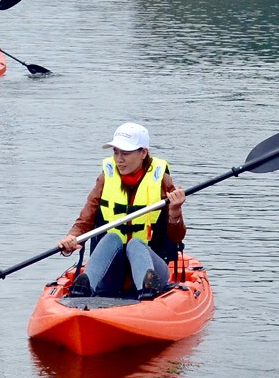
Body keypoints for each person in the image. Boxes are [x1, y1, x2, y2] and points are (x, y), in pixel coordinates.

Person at [58, 122, 187, 297]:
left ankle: (148, 289)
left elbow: (176, 237)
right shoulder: (105, 179)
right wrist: (72, 238)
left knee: (135, 244)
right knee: (112, 237)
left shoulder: (162, 181)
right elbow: (85, 220)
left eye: (125, 153)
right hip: (113, 270)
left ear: (143, 153)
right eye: (116, 152)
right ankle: (84, 287)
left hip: (153, 265)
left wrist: (175, 213)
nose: (119, 159)